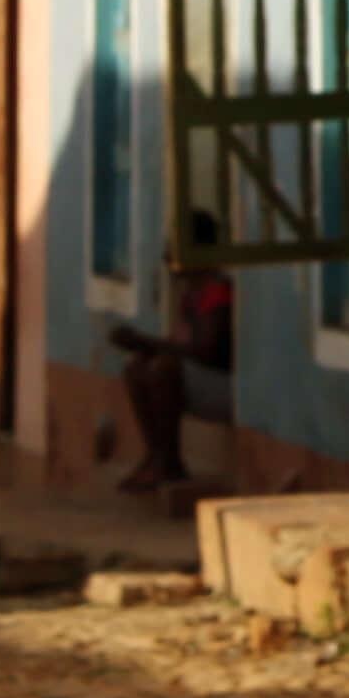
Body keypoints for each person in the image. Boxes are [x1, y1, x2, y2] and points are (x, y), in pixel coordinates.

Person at [109, 213, 236, 499]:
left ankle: (169, 460)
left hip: (226, 391)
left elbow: (208, 350)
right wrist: (143, 346)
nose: (167, 257)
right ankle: (155, 455)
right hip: (202, 384)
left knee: (163, 369)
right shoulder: (191, 293)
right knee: (137, 367)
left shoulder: (217, 291)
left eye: (174, 248)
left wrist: (145, 341)